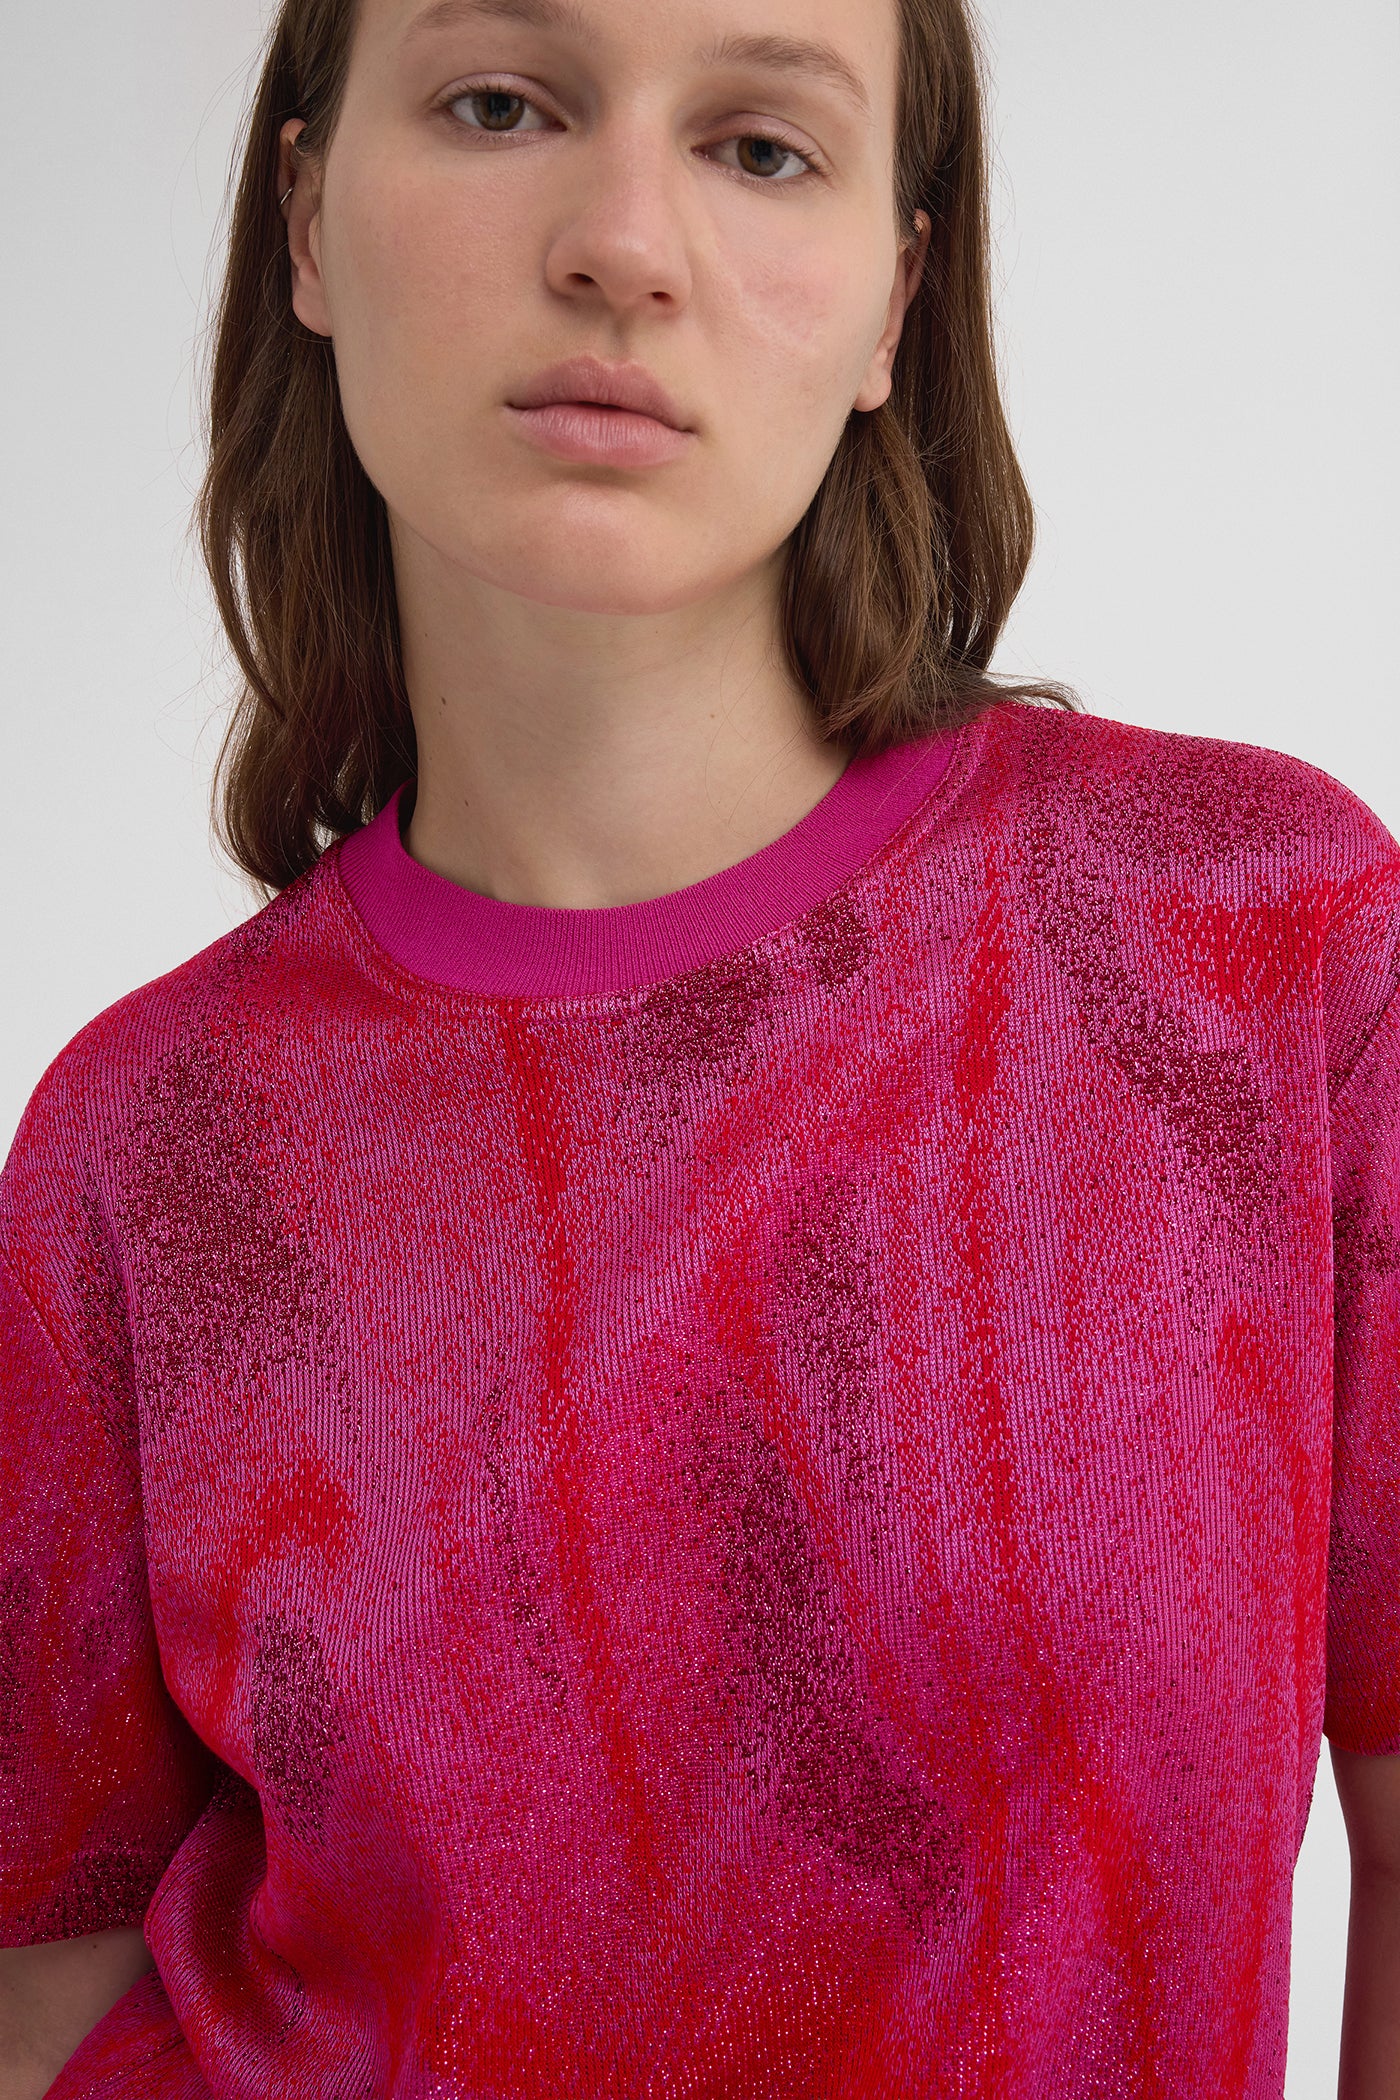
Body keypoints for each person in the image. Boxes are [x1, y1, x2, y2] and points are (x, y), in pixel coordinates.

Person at [2, 0, 1397, 2090]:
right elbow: (44, 1999)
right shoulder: (142, 1154)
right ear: (305, 218)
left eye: (759, 146)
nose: (623, 244)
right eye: (502, 103)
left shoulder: (1253, 942)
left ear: (893, 301)